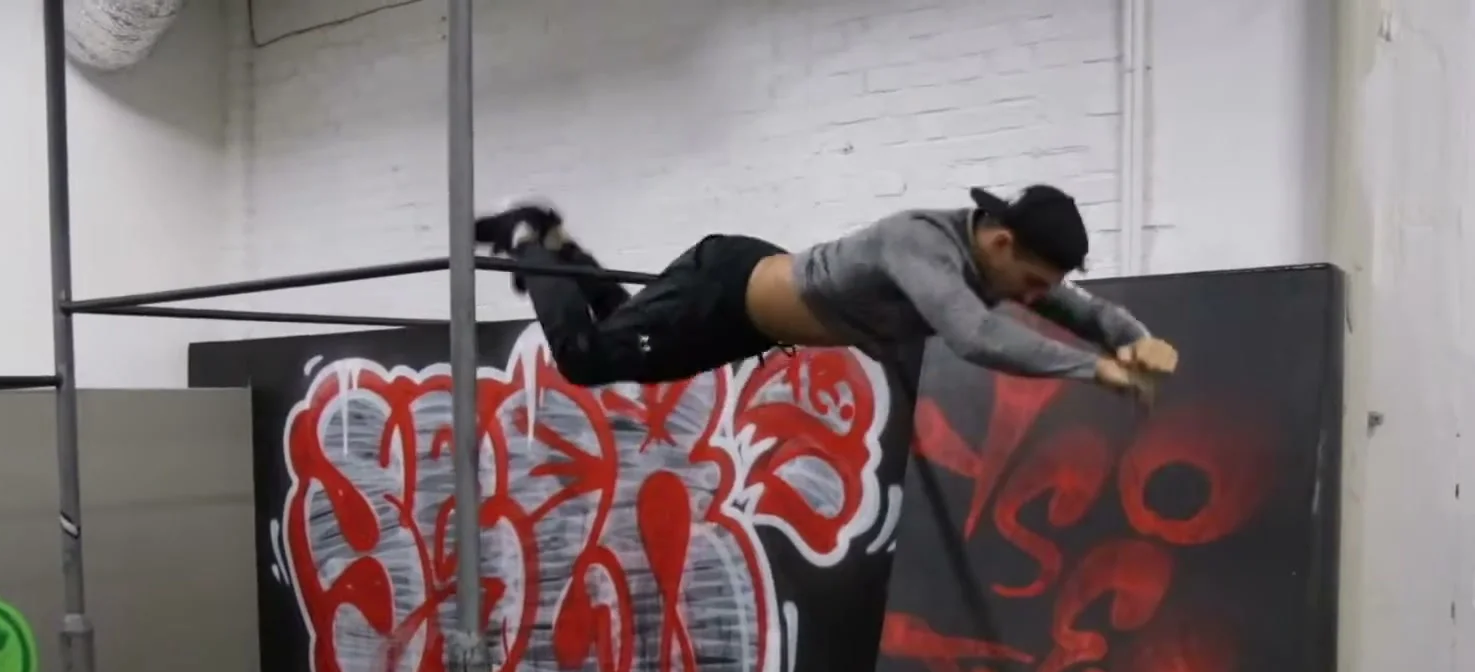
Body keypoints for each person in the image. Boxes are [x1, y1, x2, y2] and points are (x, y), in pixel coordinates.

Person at [473, 184, 1178, 400]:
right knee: (584, 358)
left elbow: (1077, 307)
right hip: (728, 291)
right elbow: (974, 335)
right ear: (1000, 243)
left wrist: (1132, 338)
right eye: (1029, 282)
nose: (1032, 296)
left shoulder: (1000, 265)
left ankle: (562, 250)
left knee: (621, 333)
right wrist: (1094, 370)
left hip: (742, 320)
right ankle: (531, 239)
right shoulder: (921, 242)